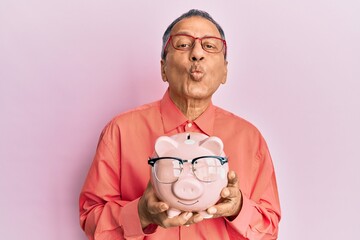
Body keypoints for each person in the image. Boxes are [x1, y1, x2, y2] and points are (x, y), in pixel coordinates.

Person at [79, 9, 281, 240]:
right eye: (183, 44)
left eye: (210, 46)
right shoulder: (121, 131)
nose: (197, 54)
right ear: (163, 68)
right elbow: (91, 219)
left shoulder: (249, 138)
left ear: (225, 71)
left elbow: (269, 230)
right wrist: (141, 213)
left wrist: (238, 208)